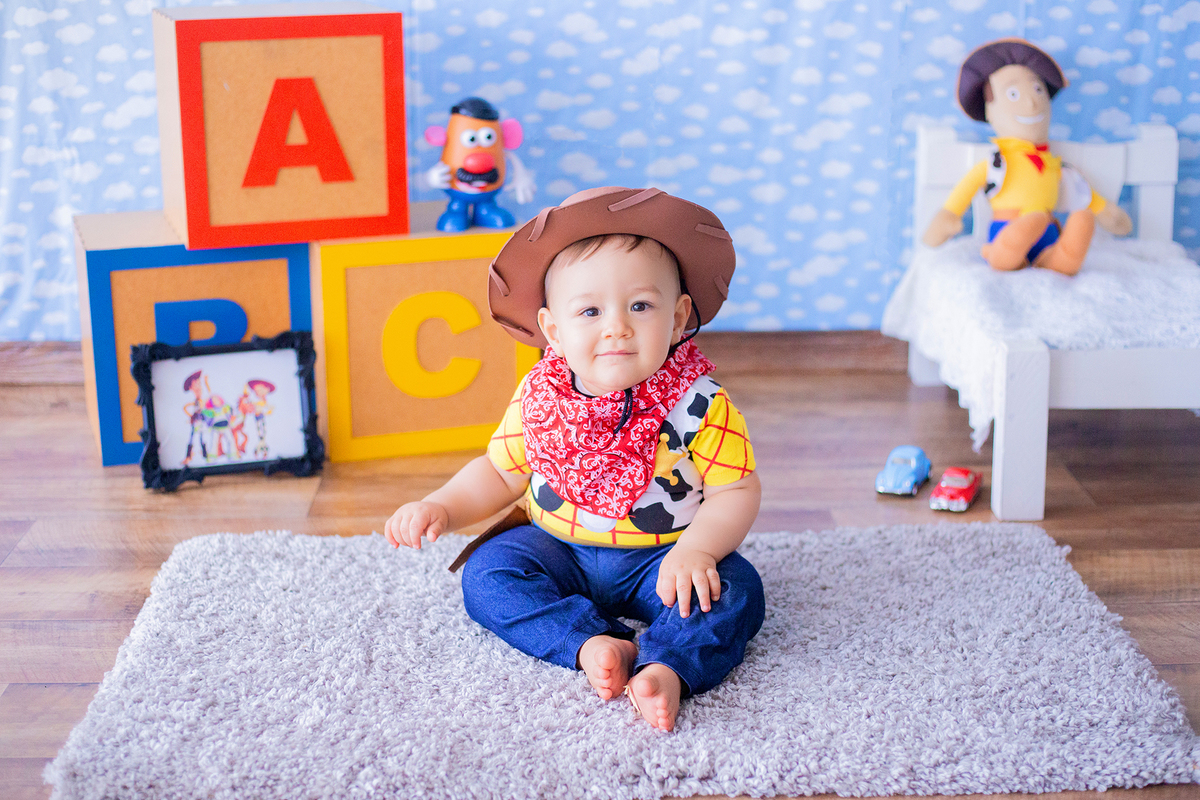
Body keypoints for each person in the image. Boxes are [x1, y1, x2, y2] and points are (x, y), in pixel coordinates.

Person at [385, 187, 765, 732]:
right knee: (487, 575)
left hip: (662, 559)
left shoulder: (699, 404)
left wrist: (698, 550)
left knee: (736, 590)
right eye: (590, 311)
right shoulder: (540, 396)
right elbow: (500, 471)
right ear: (554, 332)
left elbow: (735, 490)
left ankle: (668, 667)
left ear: (679, 317)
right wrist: (442, 505)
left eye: (641, 306)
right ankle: (591, 643)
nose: (617, 326)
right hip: (557, 549)